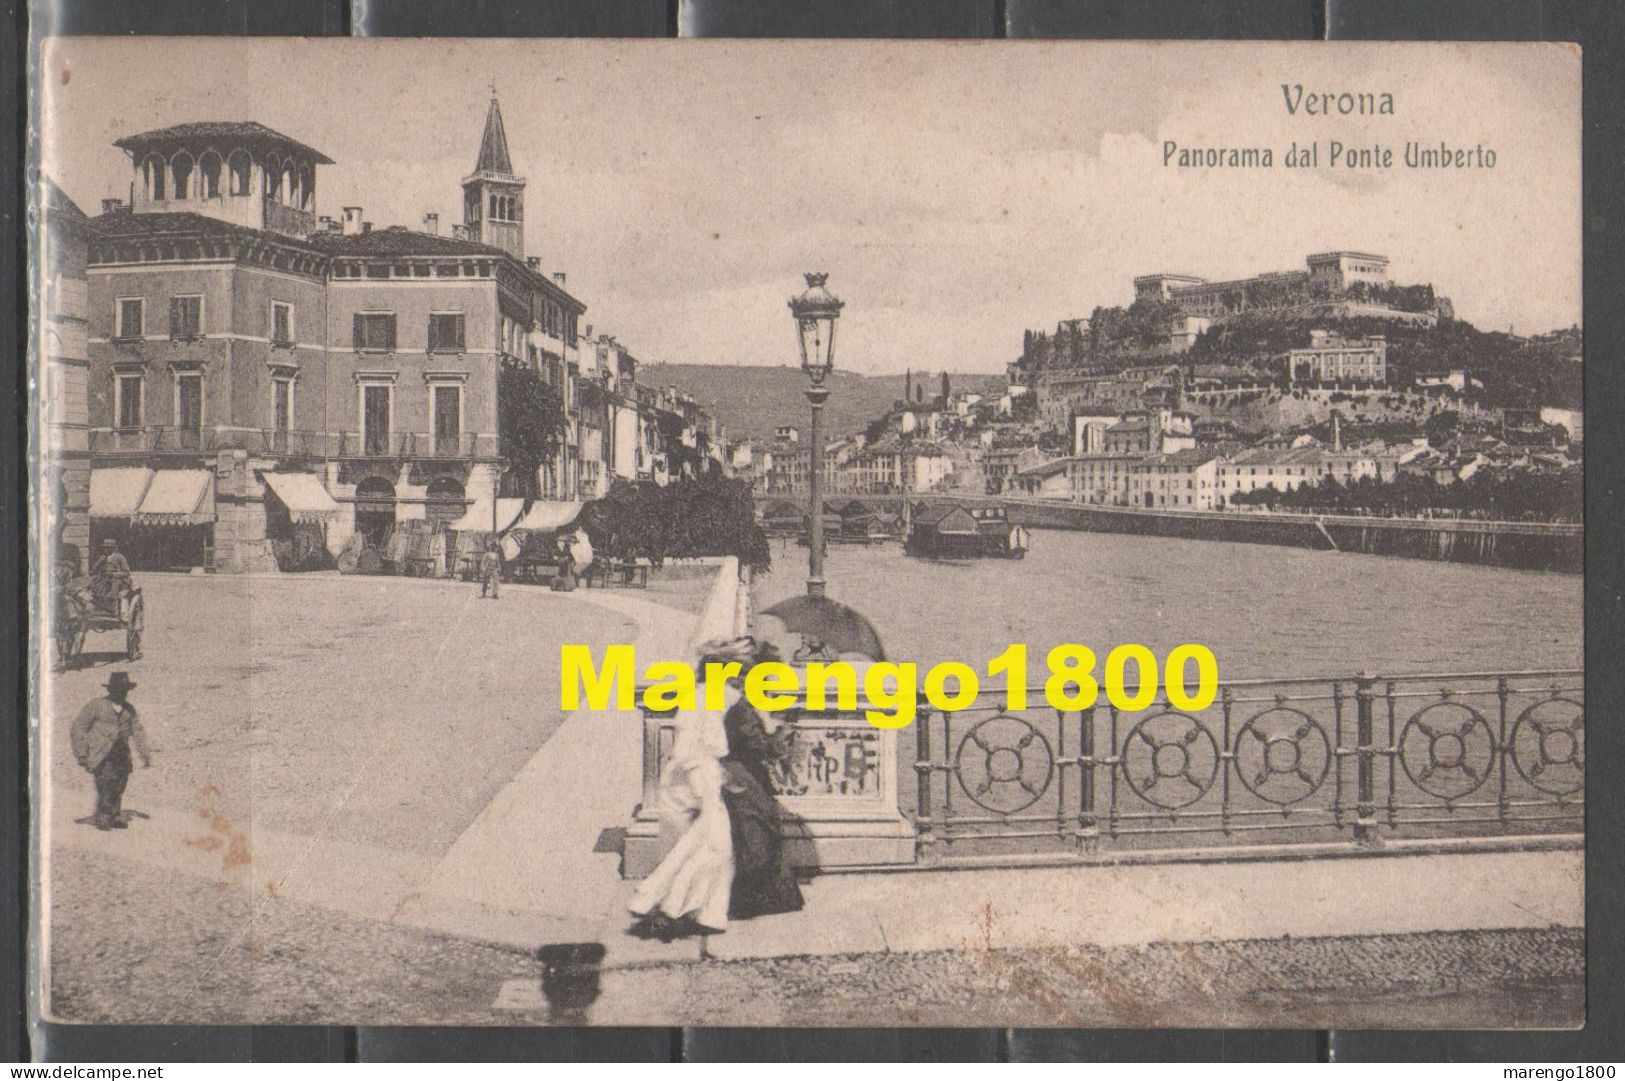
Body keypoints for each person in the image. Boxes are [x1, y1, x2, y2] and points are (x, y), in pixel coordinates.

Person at [627, 638, 753, 942]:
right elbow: (702, 748)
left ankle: (690, 908)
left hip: (696, 776)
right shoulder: (712, 700)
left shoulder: (701, 696)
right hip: (701, 777)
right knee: (717, 847)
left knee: (707, 845)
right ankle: (676, 905)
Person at [720, 641, 806, 920]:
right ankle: (755, 901)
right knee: (759, 833)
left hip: (738, 773)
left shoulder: (737, 705)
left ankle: (754, 899)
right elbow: (761, 747)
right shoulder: (743, 710)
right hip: (742, 776)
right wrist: (781, 735)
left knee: (756, 833)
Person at [70, 671, 151, 831]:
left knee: (120, 784)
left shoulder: (129, 709)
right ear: (111, 690)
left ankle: (113, 816)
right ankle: (105, 817)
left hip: (122, 754)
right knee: (107, 783)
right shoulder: (96, 705)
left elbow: (138, 731)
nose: (123, 693)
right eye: (120, 690)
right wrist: (81, 752)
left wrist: (144, 753)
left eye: (125, 690)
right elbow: (78, 727)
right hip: (102, 754)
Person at [90, 538, 132, 616]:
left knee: (114, 582)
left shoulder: (120, 557)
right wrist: (99, 562)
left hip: (120, 581)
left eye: (108, 548)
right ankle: (98, 605)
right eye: (105, 548)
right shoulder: (103, 557)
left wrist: (114, 574)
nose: (106, 549)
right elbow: (94, 569)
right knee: (94, 583)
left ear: (113, 548)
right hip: (106, 579)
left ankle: (112, 606)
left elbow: (126, 572)